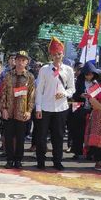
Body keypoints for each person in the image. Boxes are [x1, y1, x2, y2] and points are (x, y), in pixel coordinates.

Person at [35, 37, 75, 170]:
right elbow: (39, 90)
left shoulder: (68, 70)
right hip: (45, 107)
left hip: (61, 108)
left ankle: (57, 161)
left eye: (59, 54)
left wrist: (64, 94)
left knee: (58, 136)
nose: (57, 56)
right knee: (41, 137)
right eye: (54, 54)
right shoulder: (44, 70)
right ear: (51, 55)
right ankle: (40, 161)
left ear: (63, 54)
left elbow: (72, 89)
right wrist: (38, 108)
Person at [0, 51, 35, 169]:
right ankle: (9, 159)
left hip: (22, 112)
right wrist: (3, 108)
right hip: (8, 111)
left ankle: (18, 160)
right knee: (8, 137)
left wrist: (29, 111)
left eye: (23, 60)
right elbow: (3, 93)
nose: (20, 62)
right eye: (18, 60)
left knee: (20, 138)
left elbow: (32, 95)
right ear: (15, 61)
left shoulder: (30, 77)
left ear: (27, 62)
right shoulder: (8, 75)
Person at [70, 62, 100, 159]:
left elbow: (100, 96)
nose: (89, 76)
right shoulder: (78, 82)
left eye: (91, 74)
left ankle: (90, 153)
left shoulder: (96, 84)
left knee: (91, 132)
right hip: (80, 109)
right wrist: (80, 95)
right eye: (87, 74)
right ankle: (77, 152)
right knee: (78, 132)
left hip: (92, 110)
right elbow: (73, 94)